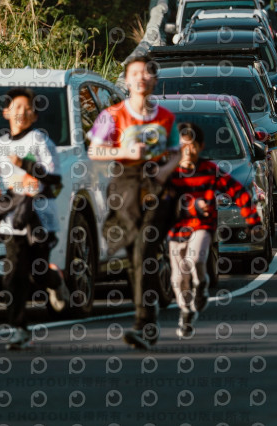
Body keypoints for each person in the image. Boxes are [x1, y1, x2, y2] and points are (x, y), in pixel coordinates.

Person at [87, 55, 181, 350]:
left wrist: (165, 170)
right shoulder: (112, 115)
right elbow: (94, 151)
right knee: (134, 256)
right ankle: (150, 315)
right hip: (125, 183)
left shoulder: (165, 117)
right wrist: (123, 151)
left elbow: (177, 152)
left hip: (157, 186)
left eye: (147, 73)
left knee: (144, 248)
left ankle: (143, 323)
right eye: (135, 73)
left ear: (154, 80)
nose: (141, 77)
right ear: (126, 81)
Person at [0, 87, 69, 350]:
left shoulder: (40, 141)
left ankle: (54, 280)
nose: (22, 112)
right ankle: (18, 329)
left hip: (40, 216)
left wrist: (26, 164)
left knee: (36, 273)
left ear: (35, 115)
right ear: (6, 112)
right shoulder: (0, 145)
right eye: (16, 107)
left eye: (27, 108)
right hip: (13, 218)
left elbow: (54, 177)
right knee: (13, 274)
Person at [167, 122, 262, 338]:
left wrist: (253, 222)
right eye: (182, 146)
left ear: (200, 147)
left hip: (202, 226)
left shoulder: (210, 170)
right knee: (178, 277)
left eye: (192, 146)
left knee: (195, 259)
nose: (187, 151)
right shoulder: (170, 172)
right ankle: (186, 311)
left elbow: (239, 192)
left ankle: (201, 283)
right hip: (176, 229)